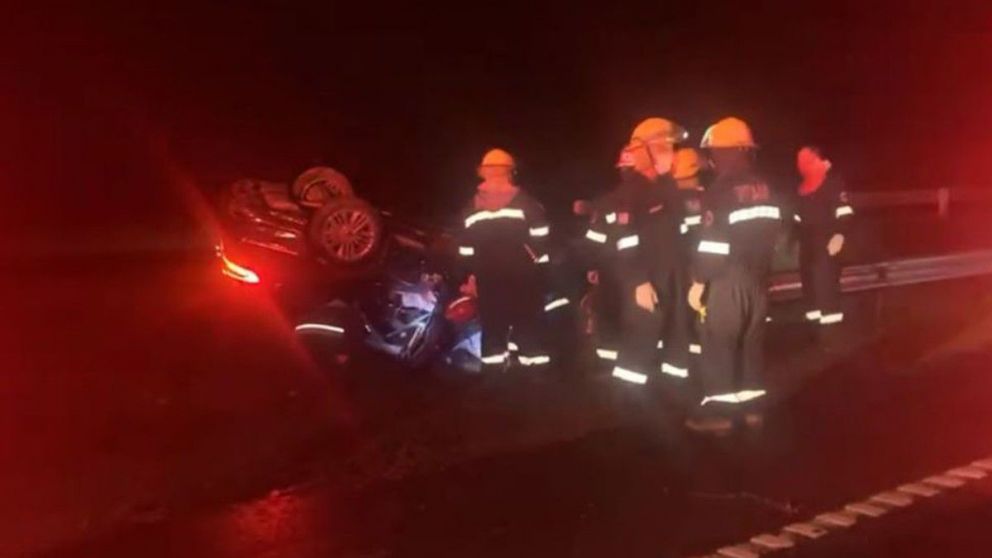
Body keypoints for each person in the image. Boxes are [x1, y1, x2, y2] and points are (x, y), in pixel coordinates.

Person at [687, 117, 783, 433]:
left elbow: (712, 245)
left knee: (719, 345)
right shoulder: (767, 188)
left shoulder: (719, 191)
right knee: (750, 347)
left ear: (724, 152)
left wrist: (699, 282)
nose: (711, 159)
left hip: (726, 281)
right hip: (759, 281)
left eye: (713, 152)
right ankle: (753, 411)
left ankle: (719, 415)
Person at [600, 117, 688, 386]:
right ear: (644, 152)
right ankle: (627, 399)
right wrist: (638, 282)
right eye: (664, 148)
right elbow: (624, 241)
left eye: (671, 148)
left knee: (676, 341)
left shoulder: (667, 187)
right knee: (639, 342)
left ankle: (675, 393)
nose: (671, 155)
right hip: (646, 280)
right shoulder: (630, 193)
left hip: (673, 277)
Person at [456, 148, 551, 371]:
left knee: (493, 329)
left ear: (483, 173)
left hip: (488, 280)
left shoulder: (470, 209)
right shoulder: (528, 204)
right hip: (523, 278)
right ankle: (534, 376)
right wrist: (542, 271)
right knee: (528, 326)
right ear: (511, 172)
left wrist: (470, 277)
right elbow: (542, 243)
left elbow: (465, 250)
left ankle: (495, 377)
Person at [794, 146, 853, 330]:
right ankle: (814, 330)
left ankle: (832, 330)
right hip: (807, 245)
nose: (801, 164)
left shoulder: (832, 183)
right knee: (810, 288)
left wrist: (839, 234)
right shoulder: (801, 188)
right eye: (800, 161)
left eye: (806, 160)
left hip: (827, 243)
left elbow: (844, 211)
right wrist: (794, 237)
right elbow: (797, 219)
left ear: (817, 159)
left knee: (826, 286)